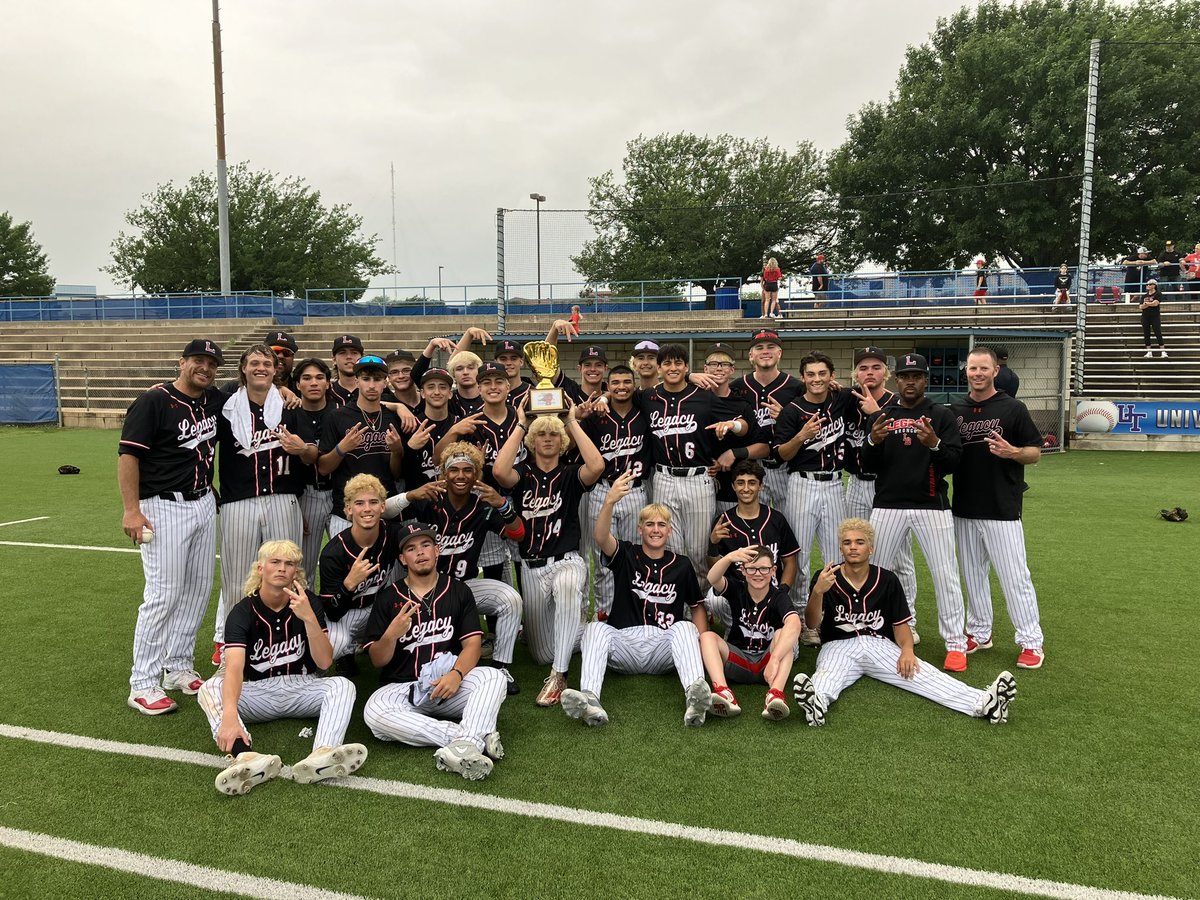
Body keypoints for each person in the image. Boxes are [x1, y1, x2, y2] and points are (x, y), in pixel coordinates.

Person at [791, 519, 1016, 727]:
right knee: (828, 674)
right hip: (837, 645)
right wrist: (818, 592)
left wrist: (907, 650)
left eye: (860, 542)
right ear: (841, 548)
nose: (853, 547)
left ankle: (983, 702)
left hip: (877, 644)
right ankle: (817, 704)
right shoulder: (826, 576)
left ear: (871, 548)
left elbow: (900, 625)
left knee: (923, 674)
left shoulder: (887, 579)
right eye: (847, 542)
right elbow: (811, 624)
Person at [199, 540, 367, 795]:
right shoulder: (242, 611)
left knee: (342, 685)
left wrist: (309, 617)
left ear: (295, 572)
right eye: (275, 562)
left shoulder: (307, 602)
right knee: (210, 687)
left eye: (289, 564)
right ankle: (245, 758)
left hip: (302, 685)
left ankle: (322, 754)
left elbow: (324, 662)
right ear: (260, 569)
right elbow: (234, 668)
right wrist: (230, 715)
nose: (282, 568)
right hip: (259, 691)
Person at [119, 339, 228, 715]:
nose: (205, 368)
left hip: (201, 502)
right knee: (163, 594)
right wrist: (131, 511)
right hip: (161, 506)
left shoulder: (212, 399)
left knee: (197, 590)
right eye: (198, 360)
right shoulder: (154, 401)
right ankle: (142, 683)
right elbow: (129, 455)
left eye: (212, 363)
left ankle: (177, 667)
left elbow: (250, 386)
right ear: (181, 362)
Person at [559, 471, 712, 727]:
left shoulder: (682, 565)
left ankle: (695, 698)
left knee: (686, 626)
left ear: (670, 531)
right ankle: (590, 700)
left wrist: (703, 644)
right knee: (595, 628)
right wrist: (609, 501)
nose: (655, 530)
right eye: (650, 524)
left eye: (661, 525)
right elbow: (600, 537)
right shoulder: (627, 554)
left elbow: (696, 607)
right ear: (640, 529)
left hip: (662, 647)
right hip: (624, 643)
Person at [362, 523, 509, 781]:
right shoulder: (387, 598)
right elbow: (377, 660)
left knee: (494, 678)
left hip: (448, 685)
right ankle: (468, 739)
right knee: (373, 712)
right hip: (402, 688)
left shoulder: (457, 590)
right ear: (402, 558)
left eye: (425, 545)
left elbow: (473, 644)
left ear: (437, 550)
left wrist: (457, 674)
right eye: (411, 548)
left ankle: (465, 742)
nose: (420, 552)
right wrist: (391, 634)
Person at [388, 441, 526, 694]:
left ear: (476, 475)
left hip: (464, 588)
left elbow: (518, 533)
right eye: (454, 470)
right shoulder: (429, 500)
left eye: (467, 470)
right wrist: (410, 495)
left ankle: (500, 667)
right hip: (426, 590)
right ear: (443, 474)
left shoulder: (483, 506)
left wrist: (502, 505)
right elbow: (383, 513)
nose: (460, 475)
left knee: (510, 598)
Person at [493, 400, 606, 707]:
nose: (547, 438)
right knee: (542, 653)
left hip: (566, 560)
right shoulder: (523, 473)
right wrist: (520, 423)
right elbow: (499, 471)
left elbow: (596, 466)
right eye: (541, 434)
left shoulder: (570, 474)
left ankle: (560, 674)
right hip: (530, 567)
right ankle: (597, 633)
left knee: (569, 587)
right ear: (532, 439)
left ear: (562, 441)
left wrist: (571, 421)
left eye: (553, 435)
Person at [863, 353, 970, 672]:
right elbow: (866, 466)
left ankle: (955, 643)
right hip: (888, 504)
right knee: (876, 573)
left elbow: (954, 463)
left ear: (926, 380)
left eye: (917, 376)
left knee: (944, 573)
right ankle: (876, 634)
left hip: (931, 503)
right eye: (905, 376)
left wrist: (935, 443)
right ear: (896, 380)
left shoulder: (940, 414)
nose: (910, 381)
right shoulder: (882, 415)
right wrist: (872, 441)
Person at [951, 347, 1047, 670]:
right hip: (964, 507)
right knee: (973, 576)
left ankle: (1031, 641)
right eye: (972, 368)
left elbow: (1035, 452)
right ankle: (979, 632)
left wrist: (1012, 452)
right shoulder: (956, 409)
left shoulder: (1012, 408)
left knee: (1014, 576)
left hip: (1002, 507)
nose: (977, 374)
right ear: (966, 371)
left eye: (983, 368)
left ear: (995, 371)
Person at [211, 345, 306, 661]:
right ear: (243, 368)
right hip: (239, 501)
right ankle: (233, 646)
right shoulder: (225, 405)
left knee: (288, 571)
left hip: (282, 497)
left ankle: (289, 642)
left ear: (276, 369)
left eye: (267, 363)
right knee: (237, 577)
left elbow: (309, 451)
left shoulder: (291, 405)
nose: (261, 367)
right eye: (254, 362)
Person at [636, 343, 748, 592]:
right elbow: (617, 395)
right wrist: (601, 397)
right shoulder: (648, 397)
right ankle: (675, 605)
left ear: (686, 367)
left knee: (699, 551)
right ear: (660, 367)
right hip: (664, 477)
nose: (672, 368)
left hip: (698, 478)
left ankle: (701, 606)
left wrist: (732, 426)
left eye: (678, 363)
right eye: (667, 363)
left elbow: (743, 422)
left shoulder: (703, 397)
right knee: (668, 547)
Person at [318, 473, 435, 673]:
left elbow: (421, 554)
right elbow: (331, 611)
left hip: (379, 606)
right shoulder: (334, 552)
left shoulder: (393, 533)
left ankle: (407, 659)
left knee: (415, 616)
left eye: (373, 502)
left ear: (383, 507)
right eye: (359, 503)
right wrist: (349, 584)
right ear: (348, 509)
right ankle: (344, 656)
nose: (367, 509)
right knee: (333, 647)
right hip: (345, 614)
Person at [772, 351, 852, 641]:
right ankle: (802, 619)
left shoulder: (842, 400)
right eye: (811, 374)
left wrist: (842, 386)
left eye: (822, 374)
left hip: (834, 483)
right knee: (800, 554)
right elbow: (780, 454)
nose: (817, 379)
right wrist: (801, 436)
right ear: (802, 377)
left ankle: (831, 616)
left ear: (831, 376)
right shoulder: (793, 410)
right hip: (802, 483)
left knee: (835, 553)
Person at [842, 347, 919, 637]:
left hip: (887, 484)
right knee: (858, 550)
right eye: (863, 368)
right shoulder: (848, 401)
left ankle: (907, 621)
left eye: (876, 367)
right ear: (856, 374)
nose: (869, 373)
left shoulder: (898, 403)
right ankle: (867, 616)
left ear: (885, 373)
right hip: (855, 483)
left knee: (900, 557)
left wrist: (878, 414)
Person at [579, 364, 653, 617]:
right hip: (602, 490)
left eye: (626, 382)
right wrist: (599, 400)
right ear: (607, 386)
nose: (621, 387)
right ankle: (605, 611)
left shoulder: (644, 410)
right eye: (615, 383)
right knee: (602, 557)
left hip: (635, 490)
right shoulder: (596, 416)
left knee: (634, 554)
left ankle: (634, 608)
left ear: (634, 385)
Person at [703, 545, 802, 720]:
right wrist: (729, 557)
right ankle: (724, 692)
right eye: (752, 568)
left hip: (769, 663)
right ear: (743, 570)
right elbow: (712, 578)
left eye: (764, 568)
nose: (758, 573)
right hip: (739, 659)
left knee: (782, 634)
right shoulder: (737, 589)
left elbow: (794, 624)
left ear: (773, 571)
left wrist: (775, 659)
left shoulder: (779, 596)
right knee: (707, 636)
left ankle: (775, 694)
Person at [318, 355, 406, 538]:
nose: (372, 385)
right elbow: (323, 468)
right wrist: (342, 448)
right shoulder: (337, 417)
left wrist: (397, 451)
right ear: (357, 381)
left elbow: (396, 474)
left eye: (377, 379)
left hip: (385, 507)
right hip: (347, 511)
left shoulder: (393, 417)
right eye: (366, 379)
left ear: (385, 382)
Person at [706, 460, 799, 629]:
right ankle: (734, 627)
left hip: (770, 587)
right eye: (740, 483)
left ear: (761, 486)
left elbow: (790, 561)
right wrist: (713, 543)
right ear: (733, 486)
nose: (746, 488)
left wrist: (782, 592)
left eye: (752, 483)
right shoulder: (723, 522)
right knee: (715, 600)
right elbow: (714, 569)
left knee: (787, 649)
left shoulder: (776, 519)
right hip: (737, 589)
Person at [730, 329, 803, 510]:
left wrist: (786, 418)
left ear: (779, 353)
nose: (765, 351)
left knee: (788, 525)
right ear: (751, 356)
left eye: (771, 347)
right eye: (759, 347)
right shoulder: (737, 387)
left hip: (785, 466)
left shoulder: (796, 387)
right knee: (753, 522)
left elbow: (807, 426)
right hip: (750, 466)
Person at [701, 342, 769, 516]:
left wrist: (733, 453)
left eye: (724, 364)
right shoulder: (692, 399)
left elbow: (764, 447)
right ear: (705, 368)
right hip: (698, 485)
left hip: (732, 490)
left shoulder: (741, 404)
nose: (719, 369)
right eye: (713, 364)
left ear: (732, 370)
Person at [282, 357, 333, 585]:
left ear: (328, 383)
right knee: (303, 570)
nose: (314, 383)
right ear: (298, 384)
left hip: (339, 496)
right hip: (305, 496)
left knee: (347, 562)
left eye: (319, 377)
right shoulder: (289, 415)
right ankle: (304, 619)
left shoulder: (341, 413)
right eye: (307, 378)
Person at [399, 367, 456, 490]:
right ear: (422, 393)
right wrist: (410, 449)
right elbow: (399, 473)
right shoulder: (409, 424)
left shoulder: (459, 425)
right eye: (430, 387)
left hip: (453, 501)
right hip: (418, 502)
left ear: (450, 393)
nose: (436, 392)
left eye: (442, 387)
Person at [328, 334, 363, 407]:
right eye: (342, 353)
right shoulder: (326, 392)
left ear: (362, 358)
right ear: (334, 360)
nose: (349, 357)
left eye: (354, 353)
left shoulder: (375, 390)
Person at [1139, 279, 1167, 358]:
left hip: (1155, 316)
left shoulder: (1158, 293)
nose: (1148, 286)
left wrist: (1147, 304)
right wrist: (1148, 304)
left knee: (1158, 333)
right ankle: (1149, 351)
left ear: (1154, 285)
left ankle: (1163, 351)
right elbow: (1141, 306)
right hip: (1145, 316)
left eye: (1150, 284)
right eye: (1147, 284)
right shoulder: (1144, 295)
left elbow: (1156, 303)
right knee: (1146, 334)